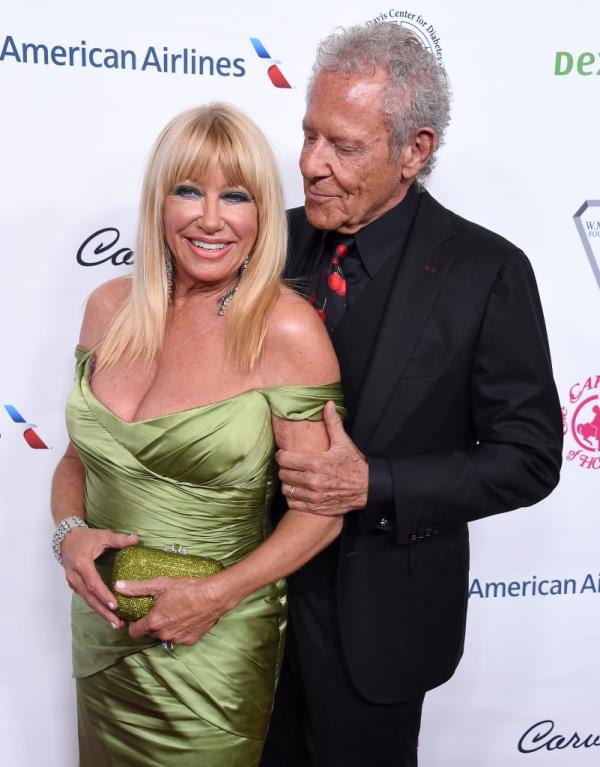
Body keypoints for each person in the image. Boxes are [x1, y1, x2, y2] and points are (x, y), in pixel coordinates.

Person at [260, 22, 563, 767]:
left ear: (415, 151)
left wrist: (375, 482)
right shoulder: (267, 244)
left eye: (345, 147)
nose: (312, 166)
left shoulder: (487, 270)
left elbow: (529, 457)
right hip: (247, 617)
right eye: (308, 136)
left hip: (379, 626)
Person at [50, 103, 346, 767]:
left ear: (263, 214)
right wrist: (69, 535)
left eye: (235, 195)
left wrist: (213, 596)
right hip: (103, 640)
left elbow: (321, 514)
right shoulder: (108, 308)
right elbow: (76, 459)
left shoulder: (287, 329)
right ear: (159, 202)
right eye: (189, 190)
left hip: (210, 650)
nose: (210, 218)